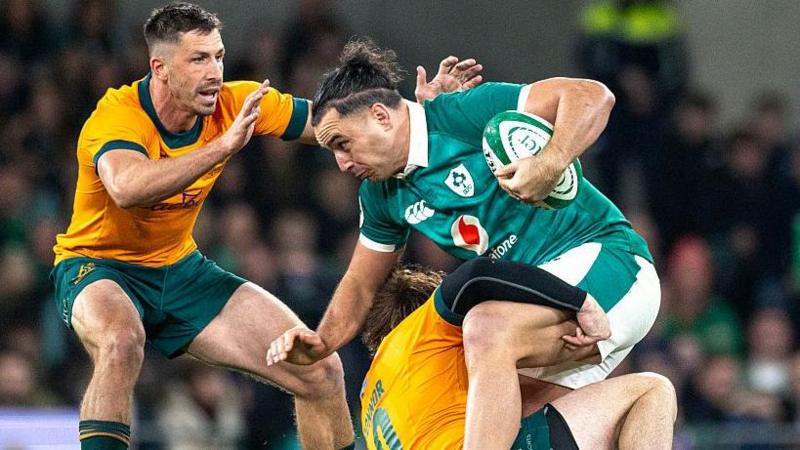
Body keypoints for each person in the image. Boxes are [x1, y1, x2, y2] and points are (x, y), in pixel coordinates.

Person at [50, 4, 482, 449]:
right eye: (198, 59)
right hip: (97, 266)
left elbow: (334, 124)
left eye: (218, 56)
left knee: (319, 368)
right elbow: (127, 186)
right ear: (159, 67)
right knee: (122, 341)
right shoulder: (118, 115)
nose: (215, 71)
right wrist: (222, 146)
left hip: (180, 270)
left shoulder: (235, 104)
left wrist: (418, 112)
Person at [268, 39, 660, 449]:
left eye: (342, 144)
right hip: (543, 304)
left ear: (381, 116)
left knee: (484, 328)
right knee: (477, 409)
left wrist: (551, 161)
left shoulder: (461, 113)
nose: (341, 164)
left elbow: (592, 96)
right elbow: (361, 284)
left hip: (606, 261)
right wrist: (322, 340)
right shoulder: (382, 194)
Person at [359, 261, 677, 449]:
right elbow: (475, 274)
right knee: (652, 390)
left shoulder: (368, 402)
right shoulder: (421, 331)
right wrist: (580, 302)